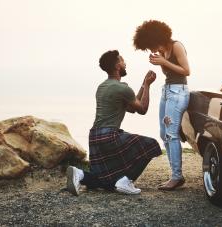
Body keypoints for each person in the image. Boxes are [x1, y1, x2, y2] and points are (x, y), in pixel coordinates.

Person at [67, 50, 162, 196]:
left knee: (105, 181)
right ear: (118, 66)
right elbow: (142, 109)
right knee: (151, 145)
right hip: (109, 136)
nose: (125, 63)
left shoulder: (102, 87)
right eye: (123, 61)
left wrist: (143, 83)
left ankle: (80, 175)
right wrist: (148, 85)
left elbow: (131, 107)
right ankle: (127, 180)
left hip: (94, 137)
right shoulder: (122, 88)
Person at [133, 20, 190, 190]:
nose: (150, 50)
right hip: (167, 91)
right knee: (163, 133)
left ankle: (176, 177)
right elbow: (171, 71)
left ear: (156, 37)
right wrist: (158, 63)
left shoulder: (176, 46)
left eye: (150, 45)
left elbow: (186, 71)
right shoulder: (162, 50)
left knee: (171, 134)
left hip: (178, 92)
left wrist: (164, 63)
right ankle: (175, 175)